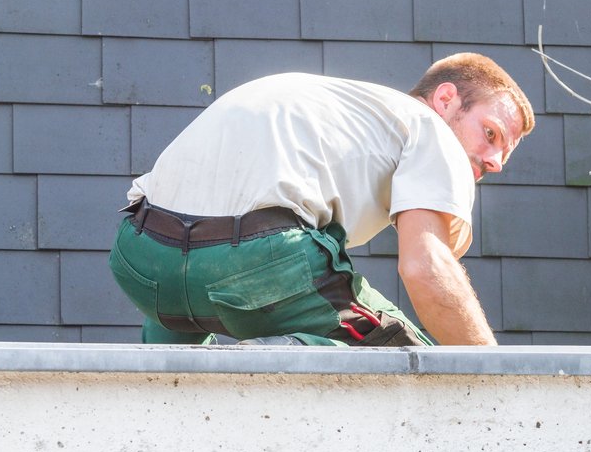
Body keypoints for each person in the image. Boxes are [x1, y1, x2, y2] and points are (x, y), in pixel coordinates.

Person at [109, 52, 534, 347]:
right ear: (446, 99)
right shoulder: (431, 130)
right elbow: (426, 267)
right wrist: (492, 376)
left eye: (506, 154)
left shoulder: (326, 100)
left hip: (141, 261)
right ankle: (286, 359)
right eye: (491, 133)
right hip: (254, 265)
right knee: (406, 357)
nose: (494, 160)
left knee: (172, 353)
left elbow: (191, 236)